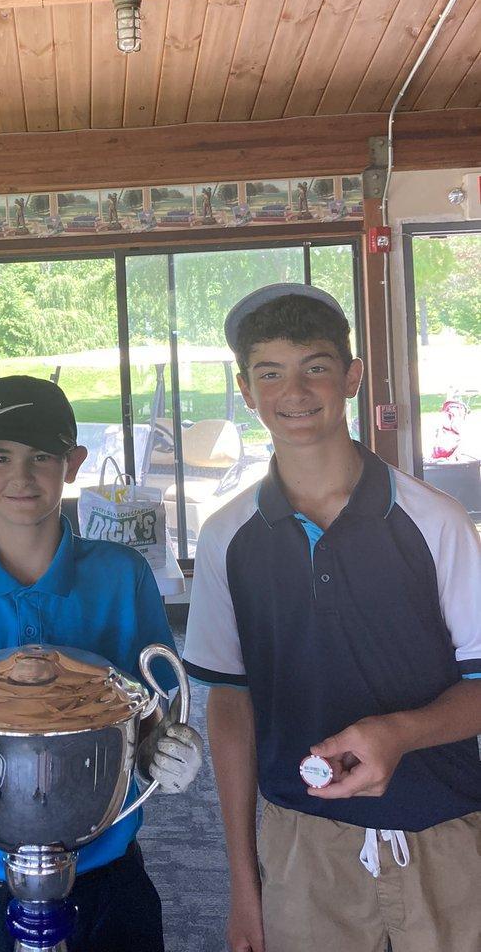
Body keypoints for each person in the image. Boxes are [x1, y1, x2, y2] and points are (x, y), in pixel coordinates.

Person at [182, 283, 481, 952]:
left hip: (448, 837)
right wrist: (243, 885)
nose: (294, 391)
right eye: (269, 372)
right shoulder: (226, 536)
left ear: (351, 377)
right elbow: (230, 705)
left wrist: (400, 733)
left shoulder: (436, 522)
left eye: (315, 366)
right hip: (302, 846)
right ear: (246, 389)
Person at [0, 375, 203, 952]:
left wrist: (166, 753)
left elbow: (151, 714)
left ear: (72, 464)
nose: (20, 476)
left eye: (41, 456)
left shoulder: (122, 577)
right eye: (0, 457)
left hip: (108, 869)